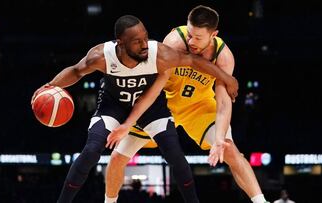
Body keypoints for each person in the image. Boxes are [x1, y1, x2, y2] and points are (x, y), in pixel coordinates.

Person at [31, 15, 239, 203]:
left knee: (175, 155)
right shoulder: (102, 56)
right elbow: (76, 71)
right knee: (92, 151)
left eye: (145, 37)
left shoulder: (158, 53)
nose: (144, 45)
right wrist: (51, 85)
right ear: (120, 43)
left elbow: (194, 62)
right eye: (137, 41)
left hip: (149, 107)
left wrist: (227, 78)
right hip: (115, 105)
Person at [105, 5, 270, 203]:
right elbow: (156, 86)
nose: (191, 41)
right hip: (162, 106)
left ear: (214, 34)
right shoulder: (174, 42)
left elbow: (224, 102)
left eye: (198, 38)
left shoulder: (224, 56)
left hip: (198, 107)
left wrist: (218, 139)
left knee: (230, 150)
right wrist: (129, 122)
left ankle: (261, 201)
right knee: (116, 158)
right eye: (190, 34)